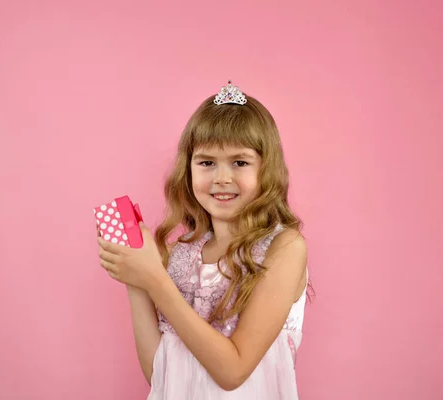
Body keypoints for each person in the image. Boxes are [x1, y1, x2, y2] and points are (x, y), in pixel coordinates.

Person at [97, 80, 309, 399]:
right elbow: (159, 373)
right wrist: (136, 279)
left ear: (267, 169)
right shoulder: (182, 254)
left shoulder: (285, 248)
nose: (222, 178)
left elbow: (232, 371)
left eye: (240, 162)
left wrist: (154, 280)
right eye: (207, 162)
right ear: (189, 168)